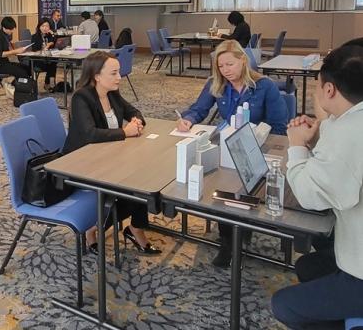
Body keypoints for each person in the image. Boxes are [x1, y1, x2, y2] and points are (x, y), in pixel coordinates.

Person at [271, 45, 363, 330]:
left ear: (330, 90)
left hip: (360, 270)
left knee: (283, 305)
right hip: (352, 246)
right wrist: (315, 138)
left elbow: (310, 196)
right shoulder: (350, 120)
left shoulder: (349, 132)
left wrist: (297, 146)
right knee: (308, 266)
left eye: (317, 85)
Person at [177, 39, 287, 267]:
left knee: (241, 182)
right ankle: (227, 239)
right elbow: (199, 109)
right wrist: (188, 119)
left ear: (243, 61)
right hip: (226, 145)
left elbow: (279, 126)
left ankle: (242, 227)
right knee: (221, 183)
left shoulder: (264, 86)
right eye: (221, 66)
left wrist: (260, 142)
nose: (225, 70)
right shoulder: (216, 83)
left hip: (257, 148)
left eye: (230, 64)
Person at [63, 51, 161, 255]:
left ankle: (134, 227)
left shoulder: (111, 93)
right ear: (97, 76)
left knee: (143, 180)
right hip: (82, 163)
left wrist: (136, 121)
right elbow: (90, 134)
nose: (119, 77)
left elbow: (134, 112)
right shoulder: (82, 97)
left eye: (119, 72)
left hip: (109, 157)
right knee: (133, 187)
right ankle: (92, 228)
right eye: (114, 73)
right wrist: (125, 132)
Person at [0, 17, 30, 99]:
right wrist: (15, 51)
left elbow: (9, 49)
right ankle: (19, 91)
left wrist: (16, 50)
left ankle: (14, 85)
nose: (12, 31)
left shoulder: (6, 35)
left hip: (5, 62)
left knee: (28, 69)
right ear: (4, 27)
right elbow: (0, 54)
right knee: (21, 72)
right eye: (10, 29)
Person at [30, 18, 57, 92]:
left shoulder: (49, 36)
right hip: (38, 61)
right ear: (39, 27)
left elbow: (55, 42)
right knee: (52, 64)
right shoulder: (35, 37)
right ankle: (49, 83)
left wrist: (52, 34)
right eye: (43, 26)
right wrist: (46, 46)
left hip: (47, 59)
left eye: (47, 26)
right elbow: (35, 50)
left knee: (53, 62)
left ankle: (49, 83)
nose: (45, 28)